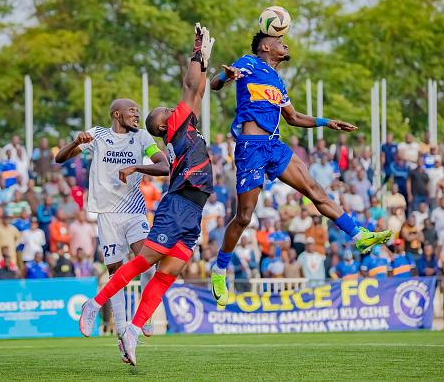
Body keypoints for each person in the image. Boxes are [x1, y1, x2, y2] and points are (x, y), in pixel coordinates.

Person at [208, 30, 390, 305]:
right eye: (280, 42)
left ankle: (358, 234)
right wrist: (225, 76)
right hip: (251, 148)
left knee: (315, 190)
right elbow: (215, 83)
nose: (285, 45)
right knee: (244, 217)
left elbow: (292, 117)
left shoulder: (278, 81)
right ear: (266, 47)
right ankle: (220, 269)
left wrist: (327, 122)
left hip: (274, 145)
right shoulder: (249, 62)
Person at [78, 24, 214, 366]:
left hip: (193, 210)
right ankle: (94, 303)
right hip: (178, 204)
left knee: (167, 274)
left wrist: (205, 63)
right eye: (167, 110)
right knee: (145, 262)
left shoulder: (186, 125)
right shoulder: (176, 127)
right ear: (165, 124)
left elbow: (198, 92)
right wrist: (195, 50)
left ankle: (133, 332)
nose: (172, 108)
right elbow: (189, 87)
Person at [55, 87, 169, 346]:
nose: (137, 115)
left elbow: (164, 165)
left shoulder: (142, 137)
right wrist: (76, 142)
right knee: (115, 271)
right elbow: (60, 158)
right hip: (107, 214)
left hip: (134, 210)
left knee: (147, 261)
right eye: (132, 111)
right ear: (117, 114)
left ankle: (145, 313)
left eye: (138, 112)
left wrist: (137, 166)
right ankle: (120, 326)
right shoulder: (98, 135)